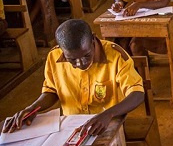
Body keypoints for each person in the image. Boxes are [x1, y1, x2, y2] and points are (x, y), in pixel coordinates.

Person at [2, 19, 144, 136]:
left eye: (87, 55)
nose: (80, 63)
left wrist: (109, 114)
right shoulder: (54, 56)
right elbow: (51, 91)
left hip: (107, 123)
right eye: (72, 60)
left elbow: (137, 94)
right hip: (71, 126)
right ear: (61, 49)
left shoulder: (116, 56)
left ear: (93, 39)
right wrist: (33, 108)